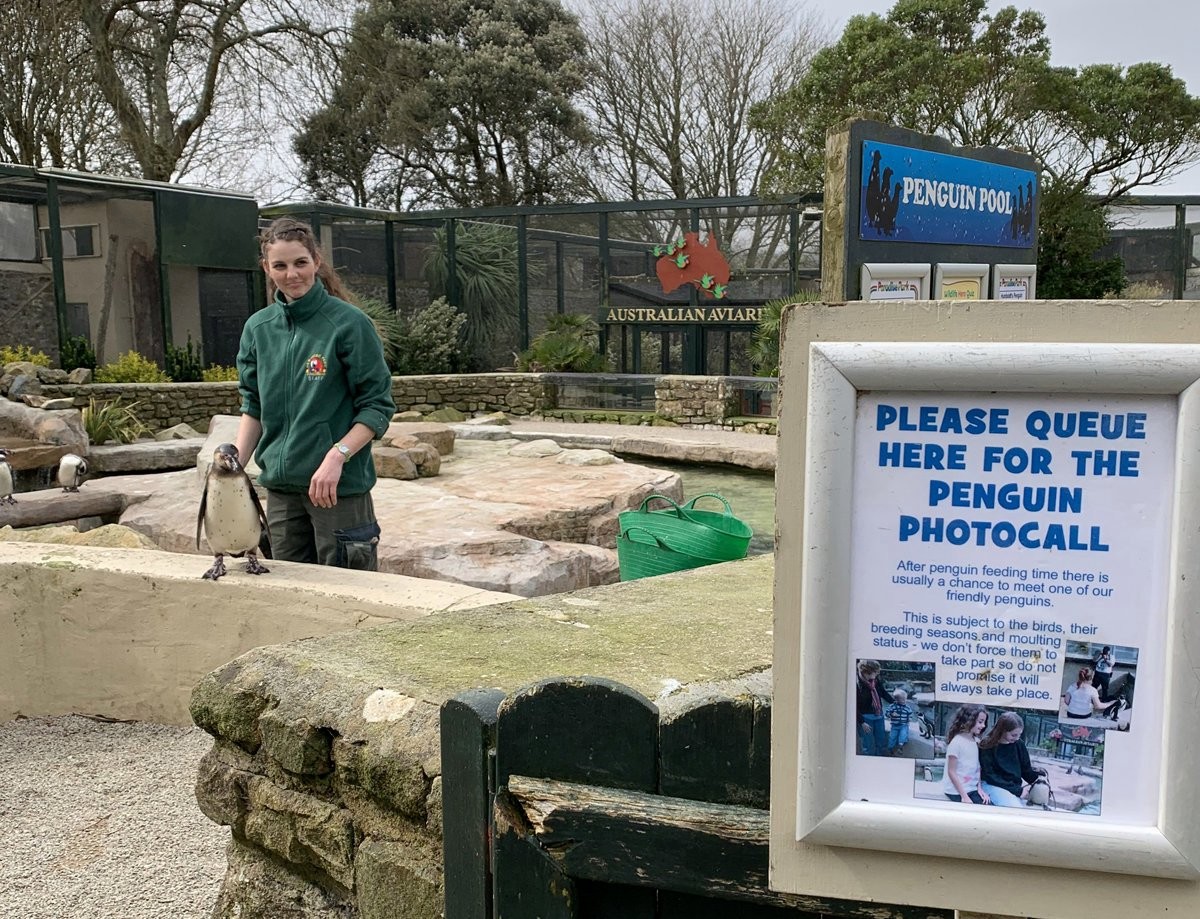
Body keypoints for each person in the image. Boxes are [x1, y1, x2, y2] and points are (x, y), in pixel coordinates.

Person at [235, 217, 396, 570]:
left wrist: (337, 456)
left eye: (300, 263)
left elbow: (377, 406)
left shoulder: (350, 324)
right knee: (290, 597)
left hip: (338, 490)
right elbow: (254, 405)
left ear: (316, 262)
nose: (292, 274)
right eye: (280, 265)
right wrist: (233, 467)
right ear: (267, 268)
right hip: (281, 492)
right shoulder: (258, 329)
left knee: (351, 599)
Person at [979, 712, 1044, 807]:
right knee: (1015, 808)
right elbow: (990, 776)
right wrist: (1017, 790)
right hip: (991, 785)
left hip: (1012, 787)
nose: (1017, 738)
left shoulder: (1019, 744)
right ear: (1002, 730)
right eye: (1014, 735)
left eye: (1019, 735)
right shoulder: (987, 745)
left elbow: (1026, 770)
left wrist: (1039, 780)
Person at [940, 705, 990, 804]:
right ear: (968, 720)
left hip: (971, 789)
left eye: (984, 722)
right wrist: (965, 797)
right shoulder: (956, 742)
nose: (983, 725)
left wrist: (979, 789)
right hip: (955, 791)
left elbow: (978, 768)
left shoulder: (976, 741)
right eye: (980, 722)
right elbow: (951, 772)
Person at [855, 659, 892, 756]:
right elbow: (854, 706)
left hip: (878, 715)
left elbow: (883, 693)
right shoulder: (856, 685)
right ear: (866, 672)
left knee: (881, 743)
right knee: (868, 746)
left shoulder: (875, 680)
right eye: (875, 672)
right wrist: (862, 722)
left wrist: (895, 703)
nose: (877, 674)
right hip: (865, 719)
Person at [885, 689, 913, 755]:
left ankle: (900, 747)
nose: (904, 701)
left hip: (903, 725)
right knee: (892, 737)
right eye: (902, 699)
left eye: (905, 699)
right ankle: (890, 749)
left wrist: (910, 719)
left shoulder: (907, 707)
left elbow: (910, 714)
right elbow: (886, 713)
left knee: (903, 735)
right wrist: (891, 714)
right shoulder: (892, 707)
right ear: (896, 700)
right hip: (894, 726)